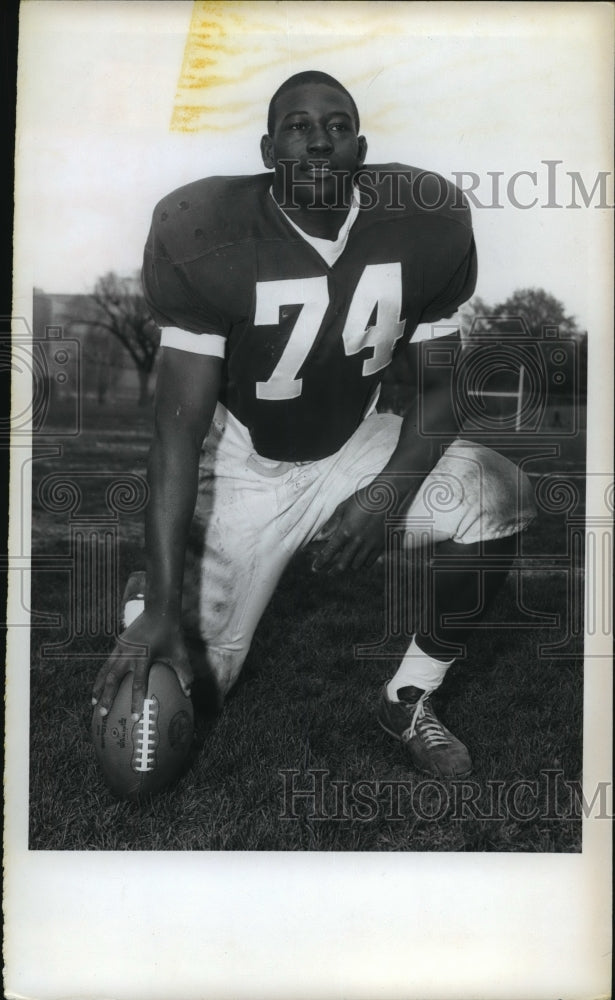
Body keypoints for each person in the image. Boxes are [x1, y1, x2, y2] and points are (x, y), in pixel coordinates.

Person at [92, 71, 536, 779]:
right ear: (269, 149)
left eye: (335, 126)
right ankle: (153, 588)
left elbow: (441, 388)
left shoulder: (425, 221)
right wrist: (164, 612)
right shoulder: (205, 229)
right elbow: (175, 433)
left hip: (355, 441)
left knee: (496, 493)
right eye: (297, 127)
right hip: (246, 466)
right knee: (179, 711)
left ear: (360, 146)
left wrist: (387, 492)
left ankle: (408, 697)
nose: (318, 140)